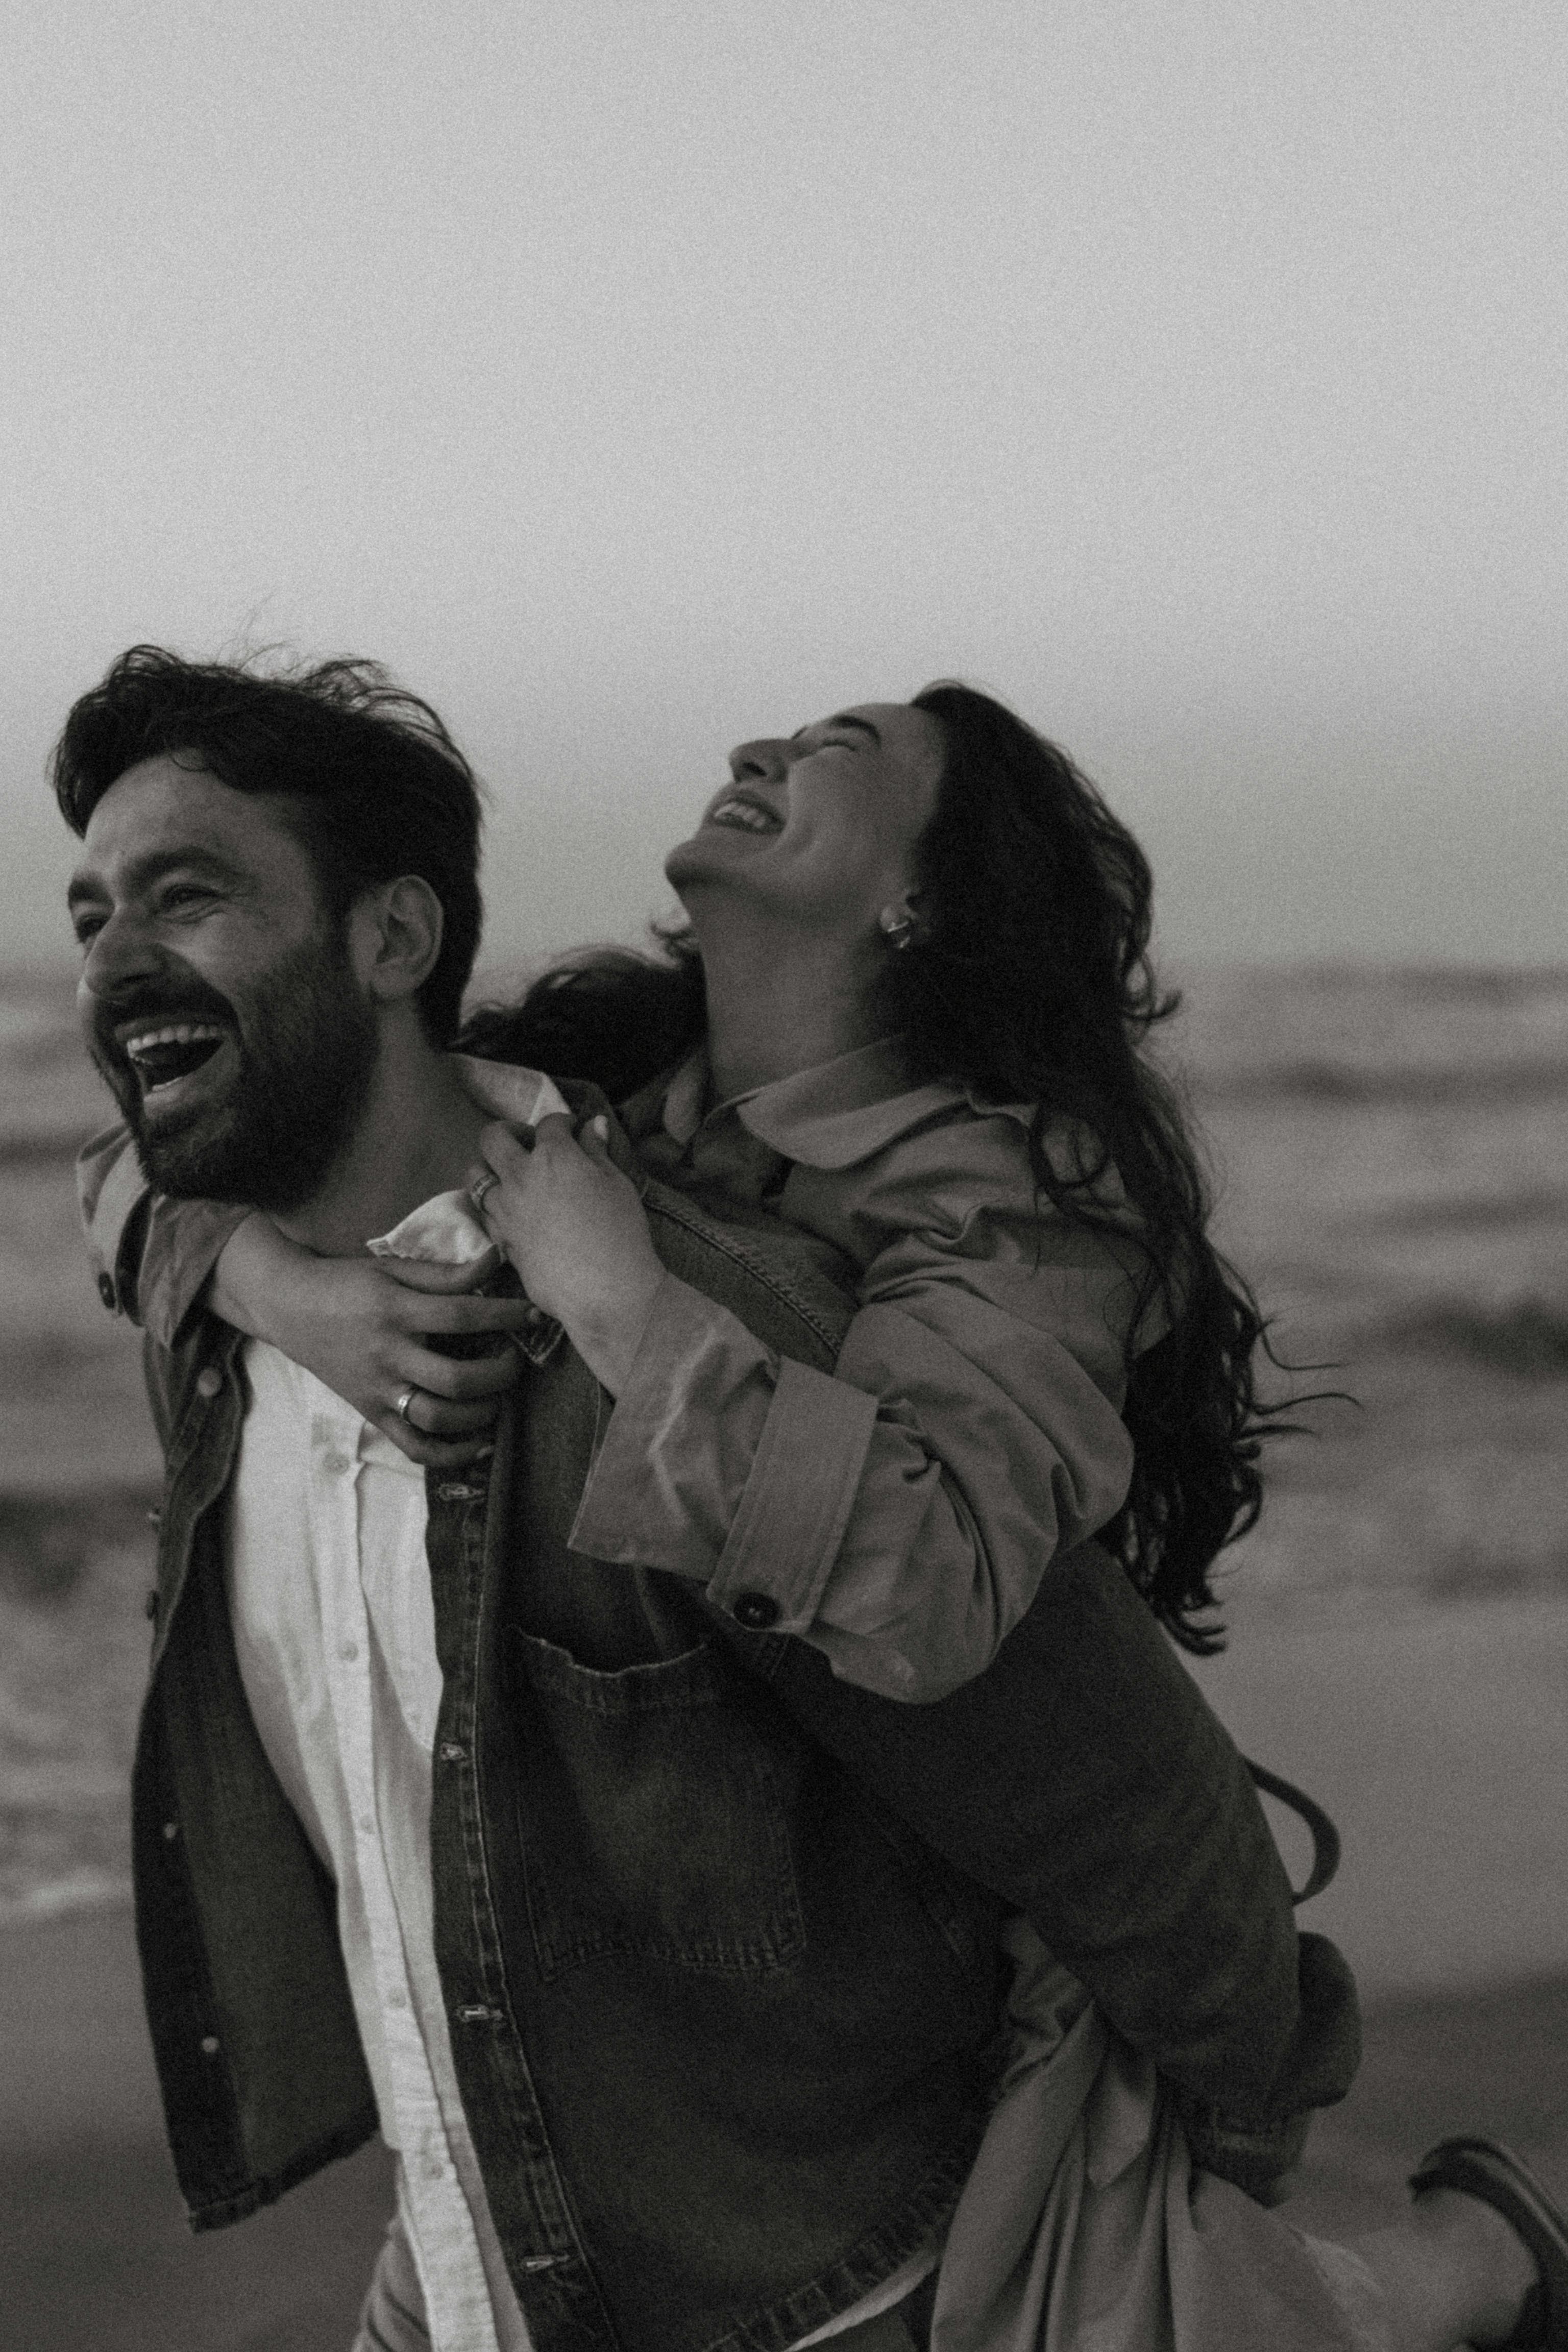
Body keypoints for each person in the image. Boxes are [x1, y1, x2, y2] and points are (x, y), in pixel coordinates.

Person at [61, 646, 1565, 2352]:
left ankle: (1476, 2267)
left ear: (925, 899)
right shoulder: (614, 1089)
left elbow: (980, 1637)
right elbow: (210, 1119)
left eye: (838, 750)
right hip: (664, 2031)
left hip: (937, 1947)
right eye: (88, 911)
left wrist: (629, 1304)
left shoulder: (999, 1210)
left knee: (1255, 2314)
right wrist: (269, 1279)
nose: (757, 744)